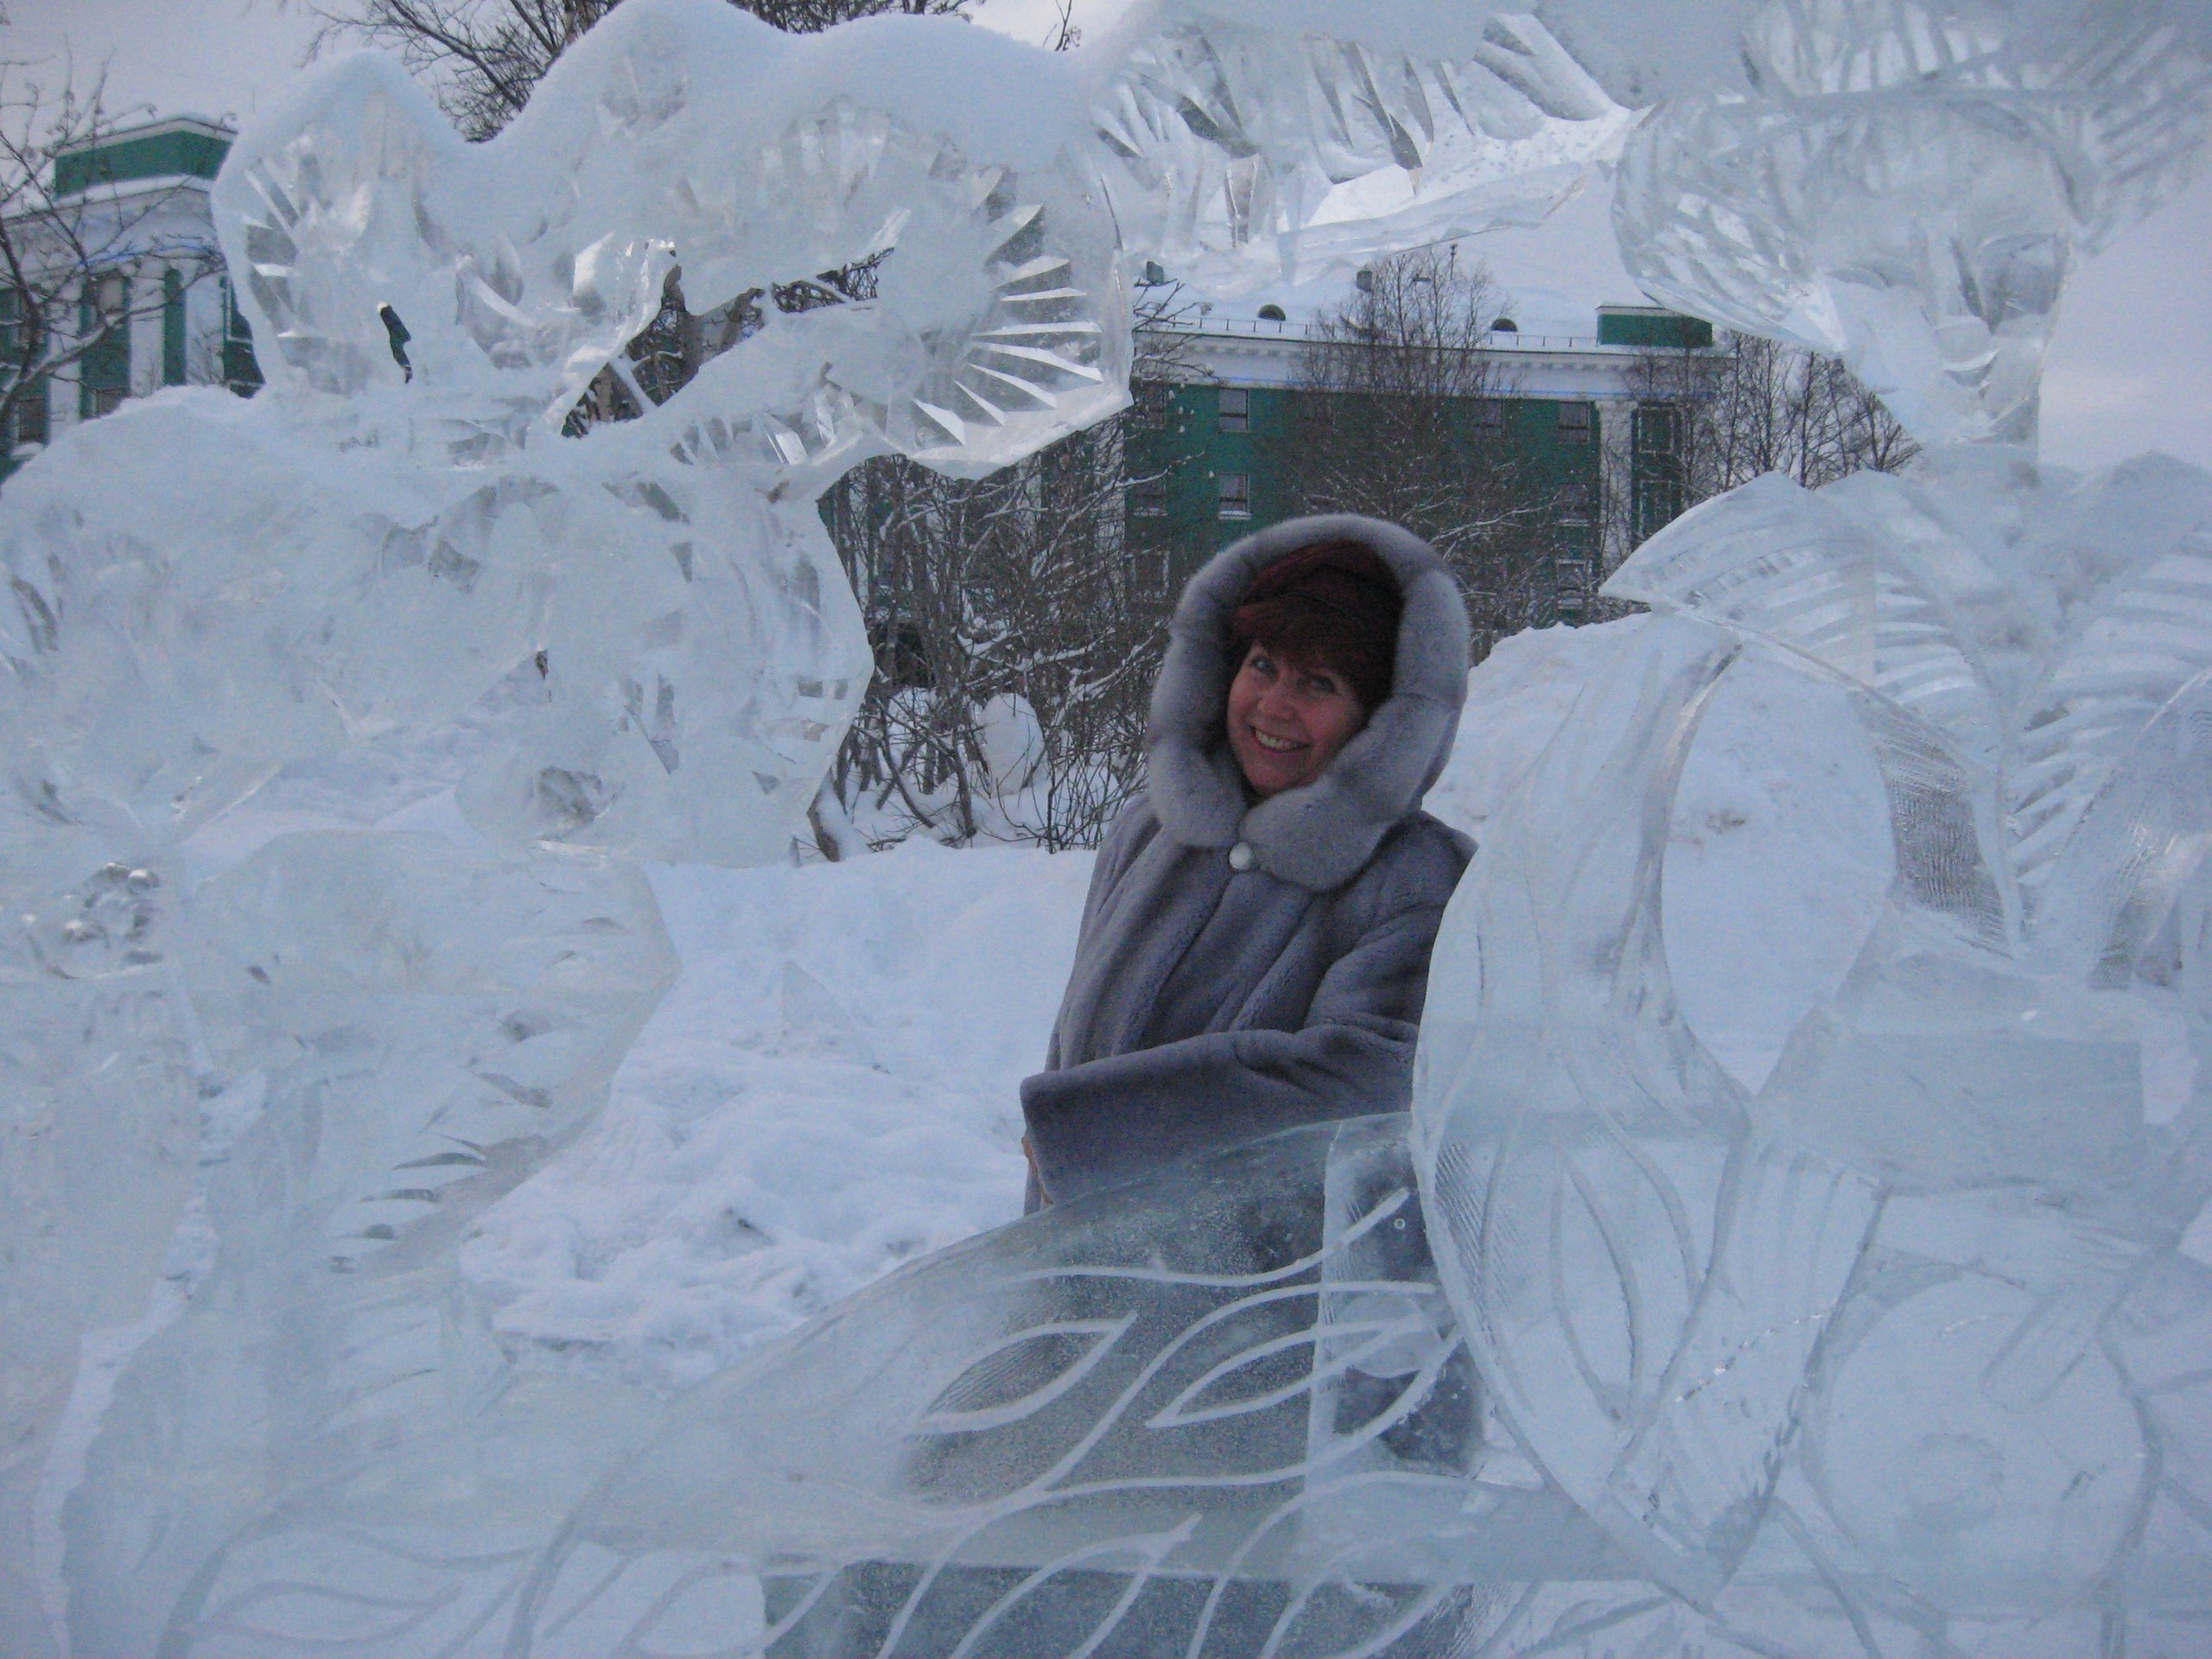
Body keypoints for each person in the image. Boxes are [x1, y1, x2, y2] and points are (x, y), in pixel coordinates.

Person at [1020, 513, 1474, 1209]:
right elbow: (1072, 1045)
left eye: (1319, 684)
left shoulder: (1418, 879)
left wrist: (1093, 1134)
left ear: (1381, 723)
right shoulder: (1151, 831)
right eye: (1262, 665)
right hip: (1087, 1260)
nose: (1275, 705)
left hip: (1272, 1273)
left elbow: (1373, 1088)